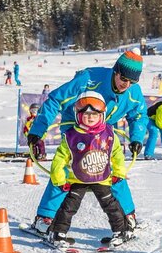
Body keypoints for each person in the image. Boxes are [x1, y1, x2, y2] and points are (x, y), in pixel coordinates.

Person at [26, 49, 148, 233]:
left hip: (103, 130)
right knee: (66, 169)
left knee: (112, 171)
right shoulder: (88, 79)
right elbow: (55, 100)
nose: (127, 85)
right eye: (124, 79)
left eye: (132, 81)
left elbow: (139, 115)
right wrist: (38, 129)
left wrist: (137, 138)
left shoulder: (133, 92)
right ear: (116, 71)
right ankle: (44, 218)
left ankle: (128, 216)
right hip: (75, 126)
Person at [47, 91, 130, 248]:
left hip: (102, 178)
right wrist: (59, 179)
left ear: (102, 115)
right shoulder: (71, 136)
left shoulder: (109, 134)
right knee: (69, 206)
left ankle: (121, 231)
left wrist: (119, 173)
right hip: (78, 179)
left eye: (95, 114)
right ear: (78, 115)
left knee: (110, 205)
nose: (90, 117)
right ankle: (58, 233)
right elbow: (59, 159)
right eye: (85, 115)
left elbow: (117, 154)